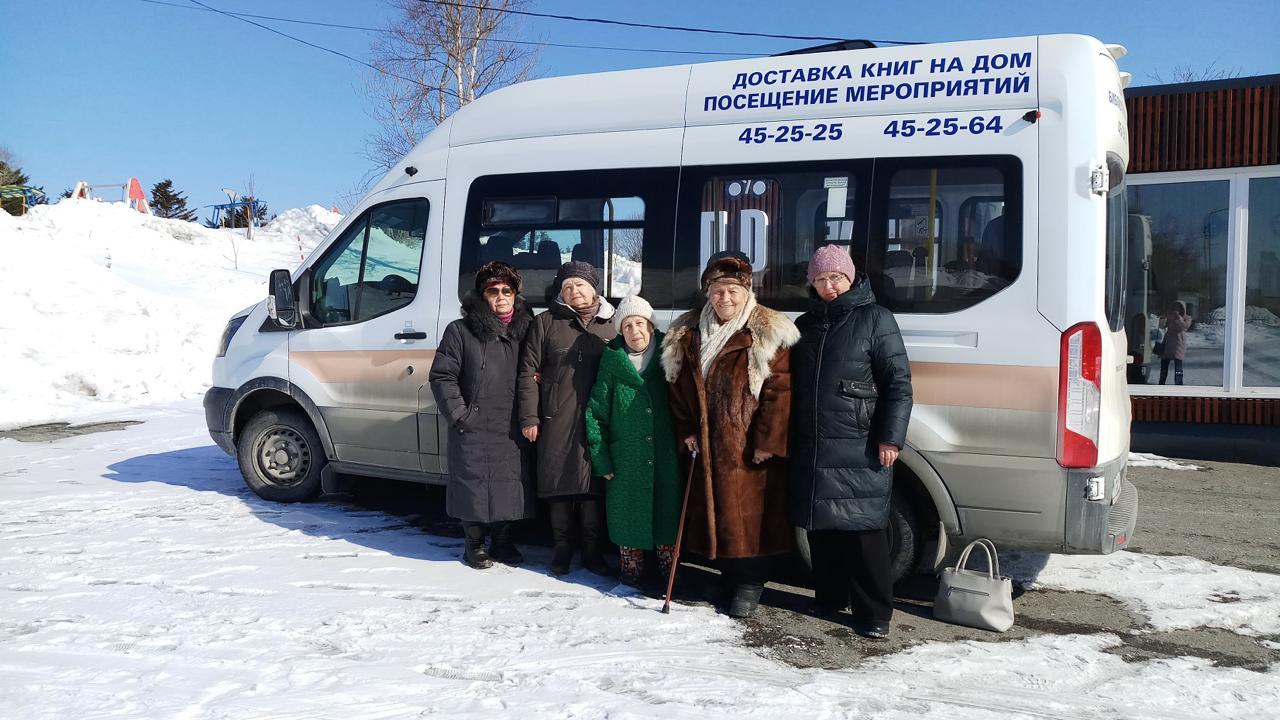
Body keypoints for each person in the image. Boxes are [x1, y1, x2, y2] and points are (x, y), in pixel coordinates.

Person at [662, 251, 798, 618]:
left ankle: (750, 583)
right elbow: (677, 389)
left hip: (747, 444)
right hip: (707, 443)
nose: (724, 298)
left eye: (732, 291)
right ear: (708, 292)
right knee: (716, 516)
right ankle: (726, 576)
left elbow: (779, 392)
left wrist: (767, 442)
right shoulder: (687, 332)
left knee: (750, 519)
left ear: (746, 292)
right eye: (718, 290)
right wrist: (687, 430)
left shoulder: (765, 331)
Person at [788, 245, 913, 640]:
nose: (829, 286)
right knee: (820, 528)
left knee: (864, 531)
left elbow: (899, 386)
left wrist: (890, 438)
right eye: (821, 279)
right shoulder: (805, 324)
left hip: (859, 441)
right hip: (814, 441)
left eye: (836, 278)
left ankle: (875, 612)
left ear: (851, 278)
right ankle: (829, 597)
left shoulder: (876, 319)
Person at [429, 261, 536, 569]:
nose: (501, 296)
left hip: (511, 423)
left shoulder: (528, 328)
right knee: (473, 483)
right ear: (482, 295)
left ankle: (502, 542)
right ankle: (473, 544)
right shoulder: (460, 331)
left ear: (515, 294)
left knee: (508, 484)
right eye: (493, 291)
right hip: (473, 423)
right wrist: (460, 414)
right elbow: (442, 376)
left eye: (507, 290)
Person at [518, 261, 617, 576]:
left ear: (594, 288)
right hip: (556, 416)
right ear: (561, 292)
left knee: (594, 485)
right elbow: (526, 372)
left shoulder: (612, 324)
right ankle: (561, 549)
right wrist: (529, 417)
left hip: (599, 419)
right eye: (568, 286)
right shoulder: (545, 322)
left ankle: (591, 550)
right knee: (558, 483)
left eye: (581, 285)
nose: (575, 291)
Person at [585, 295, 682, 588]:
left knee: (667, 514)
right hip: (625, 456)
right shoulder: (613, 360)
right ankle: (631, 571)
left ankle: (670, 571)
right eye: (627, 326)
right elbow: (595, 411)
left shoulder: (671, 353)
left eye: (640, 323)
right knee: (627, 515)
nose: (634, 331)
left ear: (651, 326)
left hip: (666, 454)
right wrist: (602, 459)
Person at [1158, 301, 1190, 385]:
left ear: (1182, 309)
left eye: (1179, 307)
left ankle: (1179, 383)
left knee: (1178, 366)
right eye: (1175, 307)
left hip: (1179, 343)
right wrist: (1163, 318)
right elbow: (1161, 326)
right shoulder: (1170, 316)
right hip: (1167, 342)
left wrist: (1178, 318)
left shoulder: (1187, 318)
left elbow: (1182, 327)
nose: (1176, 309)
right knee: (1164, 365)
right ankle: (1161, 382)